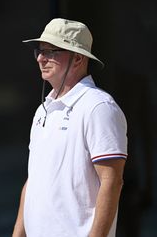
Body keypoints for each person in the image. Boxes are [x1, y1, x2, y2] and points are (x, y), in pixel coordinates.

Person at [12, 18, 127, 237]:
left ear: (78, 58)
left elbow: (112, 181)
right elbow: (34, 178)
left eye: (51, 51)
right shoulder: (42, 110)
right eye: (39, 51)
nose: (40, 58)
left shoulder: (98, 107)